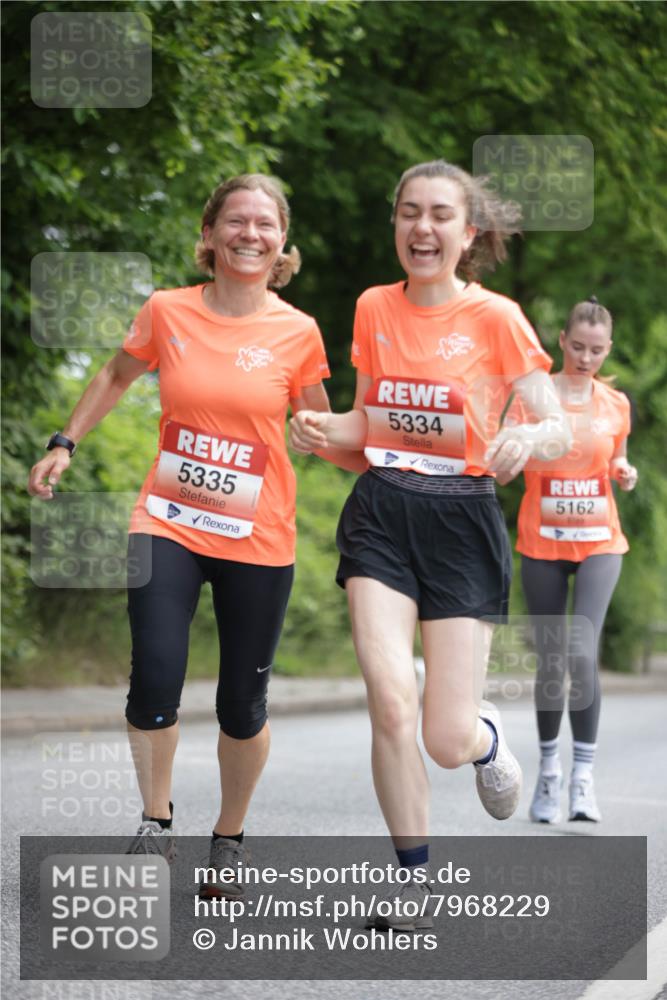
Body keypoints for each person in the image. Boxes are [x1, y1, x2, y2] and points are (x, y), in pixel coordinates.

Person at [28, 173, 352, 890]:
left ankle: (229, 834)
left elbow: (320, 424)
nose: (250, 234)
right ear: (209, 235)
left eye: (264, 224)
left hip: (258, 534)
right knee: (155, 677)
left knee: (242, 706)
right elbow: (116, 374)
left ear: (280, 242)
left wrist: (324, 437)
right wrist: (65, 443)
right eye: (235, 221)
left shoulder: (296, 331)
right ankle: (156, 823)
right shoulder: (167, 311)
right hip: (167, 520)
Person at [289, 159, 571, 929]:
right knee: (389, 701)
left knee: (442, 737)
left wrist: (529, 434)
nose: (422, 227)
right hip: (382, 512)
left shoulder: (497, 318)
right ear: (395, 224)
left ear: (466, 232)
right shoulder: (373, 307)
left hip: (461, 521)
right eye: (409, 212)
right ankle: (412, 887)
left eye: (440, 214)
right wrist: (317, 432)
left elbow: (552, 420)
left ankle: (484, 741)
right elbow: (370, 422)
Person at [508, 296, 637, 824]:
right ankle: (549, 773)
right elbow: (510, 449)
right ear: (561, 341)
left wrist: (624, 472)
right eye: (578, 347)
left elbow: (618, 456)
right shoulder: (536, 397)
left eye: (597, 350)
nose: (586, 358)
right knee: (553, 661)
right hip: (542, 542)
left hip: (601, 542)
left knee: (581, 653)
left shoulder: (615, 404)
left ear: (608, 350)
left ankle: (583, 779)